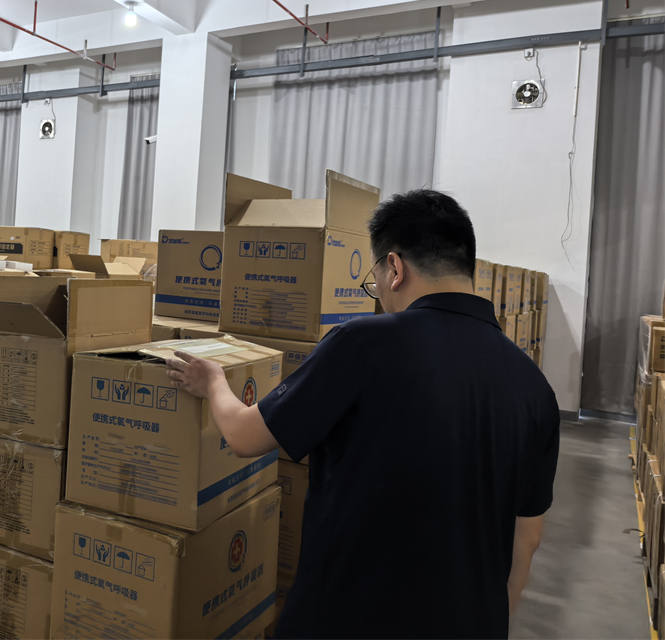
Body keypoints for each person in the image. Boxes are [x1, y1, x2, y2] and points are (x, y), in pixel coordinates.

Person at [165, 189, 560, 639]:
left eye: (375, 282)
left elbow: (244, 436)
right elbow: (527, 539)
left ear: (395, 268)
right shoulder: (534, 386)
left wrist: (213, 382)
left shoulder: (363, 344)